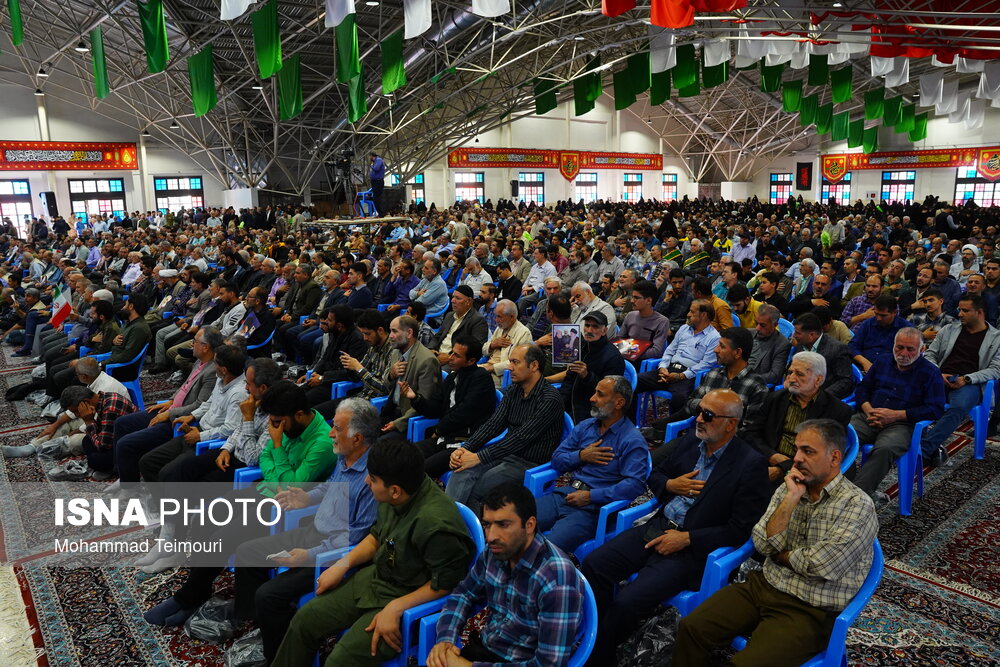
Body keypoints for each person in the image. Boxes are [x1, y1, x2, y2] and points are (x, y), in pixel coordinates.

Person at [581, 389, 770, 666]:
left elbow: (741, 529)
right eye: (699, 411)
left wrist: (688, 538)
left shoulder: (750, 465)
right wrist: (670, 485)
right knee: (595, 564)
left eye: (708, 414)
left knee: (627, 601)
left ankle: (597, 654)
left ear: (731, 423)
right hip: (657, 526)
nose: (698, 419)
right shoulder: (690, 443)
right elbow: (653, 472)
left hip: (690, 549)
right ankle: (600, 639)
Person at [671, 419, 879, 667]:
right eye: (797, 449)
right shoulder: (790, 486)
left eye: (808, 451)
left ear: (834, 458)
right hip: (764, 586)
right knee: (691, 628)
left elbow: (823, 566)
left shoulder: (857, 505)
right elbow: (762, 544)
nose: (797, 458)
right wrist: (791, 499)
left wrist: (781, 555)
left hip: (810, 609)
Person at [271, 439, 476, 666]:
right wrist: (342, 564)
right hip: (377, 579)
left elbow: (446, 585)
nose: (367, 481)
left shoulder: (437, 525)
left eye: (373, 479)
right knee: (304, 621)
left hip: (410, 602)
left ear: (395, 491)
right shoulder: (398, 490)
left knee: (339, 662)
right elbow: (377, 537)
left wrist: (396, 607)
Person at [232, 397, 380, 663]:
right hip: (314, 532)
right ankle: (262, 628)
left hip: (333, 554)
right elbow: (331, 487)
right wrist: (307, 497)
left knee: (269, 595)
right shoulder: (344, 455)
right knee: (247, 552)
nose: (331, 433)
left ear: (357, 438)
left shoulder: (372, 478)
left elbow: (356, 538)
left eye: (336, 428)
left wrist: (310, 555)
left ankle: (279, 656)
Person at [428, 482, 585, 667]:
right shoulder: (496, 551)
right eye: (487, 524)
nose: (491, 536)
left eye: (503, 524)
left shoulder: (557, 582)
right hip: (486, 645)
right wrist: (445, 639)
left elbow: (548, 664)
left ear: (529, 525)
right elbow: (464, 593)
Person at [446, 344, 564, 513]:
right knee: (461, 470)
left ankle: (474, 534)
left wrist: (478, 457)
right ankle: (447, 523)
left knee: (478, 488)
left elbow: (521, 438)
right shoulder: (514, 390)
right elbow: (493, 424)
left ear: (534, 366)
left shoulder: (549, 399)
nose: (509, 367)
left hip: (528, 462)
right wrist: (466, 448)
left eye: (515, 362)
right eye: (510, 362)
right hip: (505, 453)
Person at [538, 376, 649, 553]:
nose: (592, 398)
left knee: (545, 548)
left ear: (619, 402)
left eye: (600, 394)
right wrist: (581, 456)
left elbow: (635, 485)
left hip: (594, 510)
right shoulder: (586, 426)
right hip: (565, 495)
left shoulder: (632, 440)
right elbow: (557, 459)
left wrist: (591, 496)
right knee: (517, 523)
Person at [111, 326, 221, 487]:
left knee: (126, 443)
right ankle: (122, 473)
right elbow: (185, 386)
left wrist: (170, 413)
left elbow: (199, 405)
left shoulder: (212, 371)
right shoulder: (199, 361)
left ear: (206, 347)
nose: (192, 344)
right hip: (169, 408)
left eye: (195, 341)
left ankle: (130, 488)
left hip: (178, 419)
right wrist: (170, 401)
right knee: (121, 423)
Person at [849, 327, 946, 507]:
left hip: (902, 424)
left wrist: (896, 415)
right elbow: (863, 389)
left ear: (922, 350)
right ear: (893, 346)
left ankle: (855, 498)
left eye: (910, 349)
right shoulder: (883, 361)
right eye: (899, 347)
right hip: (869, 416)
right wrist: (868, 409)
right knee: (840, 437)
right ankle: (843, 487)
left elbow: (935, 409)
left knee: (885, 449)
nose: (903, 353)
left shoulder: (930, 373)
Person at [136, 344, 248, 484]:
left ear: (224, 369)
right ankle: (160, 501)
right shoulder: (222, 378)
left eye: (215, 363)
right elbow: (208, 402)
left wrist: (201, 436)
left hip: (211, 442)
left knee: (168, 473)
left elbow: (230, 429)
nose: (213, 365)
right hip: (197, 431)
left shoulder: (239, 394)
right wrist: (192, 416)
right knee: (147, 462)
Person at [643, 326, 768, 445]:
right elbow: (690, 403)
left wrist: (711, 411)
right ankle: (658, 429)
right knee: (655, 462)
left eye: (722, 346)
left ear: (737, 353)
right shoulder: (713, 375)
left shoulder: (755, 386)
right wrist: (710, 407)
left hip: (726, 446)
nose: (715, 350)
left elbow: (749, 430)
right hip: (696, 437)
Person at [745, 352, 853, 485]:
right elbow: (751, 433)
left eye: (799, 374)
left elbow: (826, 455)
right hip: (767, 459)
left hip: (806, 473)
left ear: (818, 380)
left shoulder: (837, 410)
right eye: (790, 373)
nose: (791, 378)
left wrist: (783, 469)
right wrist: (773, 456)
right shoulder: (775, 398)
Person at [921, 294, 1000, 463]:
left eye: (965, 310)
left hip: (969, 383)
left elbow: (996, 369)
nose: (960, 314)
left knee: (958, 407)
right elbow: (929, 354)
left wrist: (967, 379)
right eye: (959, 309)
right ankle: (914, 442)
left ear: (979, 312)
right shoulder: (949, 329)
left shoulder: (996, 338)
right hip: (939, 377)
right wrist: (937, 374)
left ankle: (924, 449)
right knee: (911, 394)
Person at [402, 336, 497, 476]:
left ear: (471, 361)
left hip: (465, 443)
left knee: (420, 469)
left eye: (457, 355)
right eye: (452, 353)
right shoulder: (453, 377)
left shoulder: (481, 379)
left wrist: (439, 429)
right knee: (404, 456)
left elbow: (463, 414)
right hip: (444, 437)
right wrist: (415, 398)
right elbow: (435, 407)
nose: (450, 358)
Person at [634, 299, 721, 414]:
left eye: (692, 312)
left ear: (703, 315)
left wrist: (680, 376)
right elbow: (670, 350)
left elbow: (706, 364)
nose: (688, 314)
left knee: (680, 398)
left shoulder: (714, 337)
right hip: (669, 370)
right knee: (635, 381)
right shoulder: (684, 328)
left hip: (688, 375)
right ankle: (631, 420)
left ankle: (675, 430)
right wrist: (663, 367)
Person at [551, 311, 626, 423]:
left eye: (595, 327)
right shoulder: (580, 347)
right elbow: (569, 380)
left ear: (604, 331)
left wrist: (587, 376)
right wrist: (559, 404)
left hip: (592, 411)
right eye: (587, 325)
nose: (589, 330)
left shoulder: (613, 358)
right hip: (571, 403)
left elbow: (608, 395)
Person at [49, 385, 137, 479]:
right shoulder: (104, 398)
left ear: (86, 402)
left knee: (95, 460)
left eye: (76, 411)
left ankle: (112, 468)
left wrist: (88, 421)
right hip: (116, 439)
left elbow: (103, 446)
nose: (77, 415)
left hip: (132, 448)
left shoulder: (110, 409)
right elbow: (101, 431)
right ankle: (108, 465)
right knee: (86, 440)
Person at [380, 315, 442, 434]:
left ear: (409, 333)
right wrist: (391, 375)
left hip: (408, 420)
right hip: (391, 410)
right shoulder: (396, 353)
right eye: (390, 331)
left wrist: (398, 423)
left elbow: (424, 403)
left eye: (394, 331)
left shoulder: (427, 360)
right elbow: (385, 387)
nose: (390, 336)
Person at [790, 313, 855, 399]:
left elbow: (845, 381)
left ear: (811, 335)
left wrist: (820, 397)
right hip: (799, 393)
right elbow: (791, 370)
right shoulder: (799, 345)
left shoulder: (837, 349)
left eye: (798, 333)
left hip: (824, 398)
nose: (794, 335)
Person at [849, 295, 910, 372]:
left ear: (894, 313)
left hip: (890, 370)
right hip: (863, 366)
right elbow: (853, 346)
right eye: (876, 314)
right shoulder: (869, 323)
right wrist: (864, 362)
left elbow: (906, 356)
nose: (878, 318)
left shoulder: (906, 329)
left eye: (883, 315)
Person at [429, 285, 489, 365]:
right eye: (453, 297)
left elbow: (475, 349)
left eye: (458, 298)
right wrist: (431, 349)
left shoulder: (478, 321)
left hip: (454, 362)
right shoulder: (449, 315)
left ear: (468, 301)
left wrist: (450, 358)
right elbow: (438, 336)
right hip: (437, 354)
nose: (452, 301)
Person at [480, 299, 532, 388]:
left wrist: (492, 368)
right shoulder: (500, 328)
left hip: (502, 375)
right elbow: (483, 350)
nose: (496, 320)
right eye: (496, 316)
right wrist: (493, 345)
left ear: (512, 317)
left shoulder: (524, 333)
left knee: (473, 380)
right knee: (458, 373)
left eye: (499, 317)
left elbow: (518, 362)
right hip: (487, 366)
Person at [618, 279, 670, 361]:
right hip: (624, 356)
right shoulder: (630, 315)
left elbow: (657, 351)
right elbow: (620, 339)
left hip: (640, 360)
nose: (631, 301)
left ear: (649, 300)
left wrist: (634, 354)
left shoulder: (662, 322)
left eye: (636, 298)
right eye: (632, 297)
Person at [746, 303, 791, 386]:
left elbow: (775, 375)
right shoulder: (747, 334)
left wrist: (750, 379)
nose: (757, 328)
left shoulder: (782, 345)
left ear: (775, 325)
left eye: (763, 325)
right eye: (756, 323)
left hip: (756, 385)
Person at [369, 151, 385, 216]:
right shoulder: (375, 162)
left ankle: (381, 213)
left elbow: (376, 168)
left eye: (370, 156)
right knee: (375, 198)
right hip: (375, 181)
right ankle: (380, 213)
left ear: (372, 156)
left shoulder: (378, 160)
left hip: (378, 181)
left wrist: (371, 166)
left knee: (376, 198)